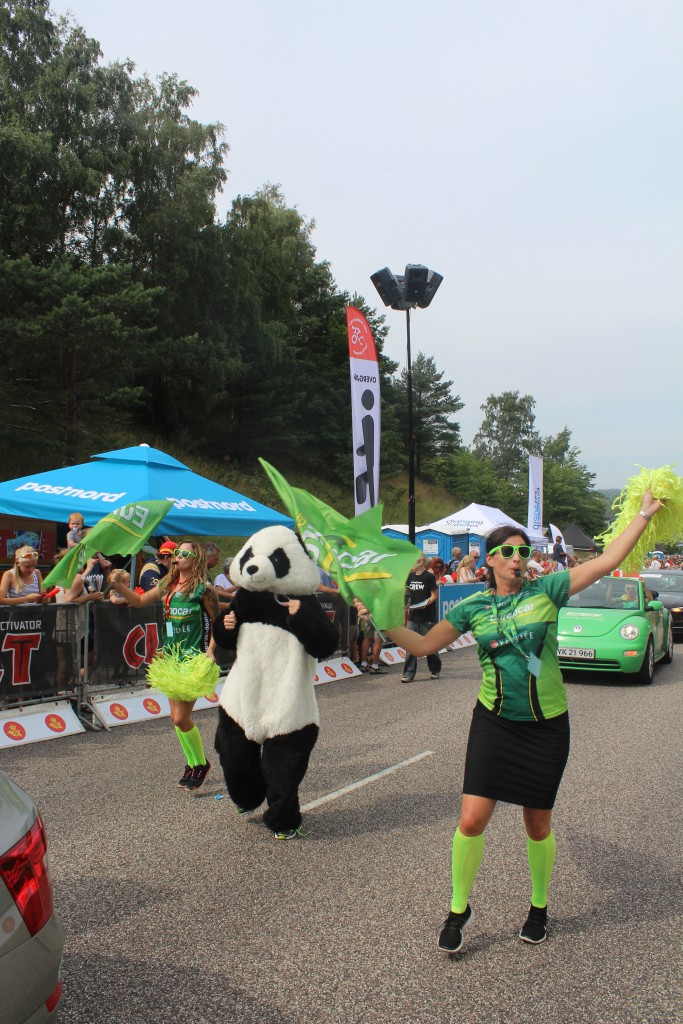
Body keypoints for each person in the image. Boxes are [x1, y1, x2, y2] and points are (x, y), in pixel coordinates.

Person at [355, 489, 662, 953]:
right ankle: (459, 909)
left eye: (525, 551)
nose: (520, 559)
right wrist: (382, 618)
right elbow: (420, 648)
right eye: (510, 552)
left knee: (537, 825)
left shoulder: (549, 589)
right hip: (494, 723)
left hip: (546, 728)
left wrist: (640, 516)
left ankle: (539, 906)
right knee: (472, 819)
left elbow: (605, 561)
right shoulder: (472, 607)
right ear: (490, 561)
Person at [109, 540, 219, 792]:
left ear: (196, 559)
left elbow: (218, 623)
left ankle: (201, 763)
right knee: (175, 718)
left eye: (183, 553)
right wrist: (118, 587)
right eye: (176, 553)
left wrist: (211, 652)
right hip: (170, 659)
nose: (177, 556)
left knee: (182, 717)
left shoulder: (204, 590)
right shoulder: (167, 584)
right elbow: (138, 601)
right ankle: (192, 764)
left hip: (194, 660)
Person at [401, 555, 440, 683]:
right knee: (411, 644)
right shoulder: (411, 576)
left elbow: (434, 595)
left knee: (430, 644)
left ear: (421, 561)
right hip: (413, 615)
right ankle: (408, 673)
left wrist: (426, 603)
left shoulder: (429, 576)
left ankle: (435, 669)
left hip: (427, 615)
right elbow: (407, 593)